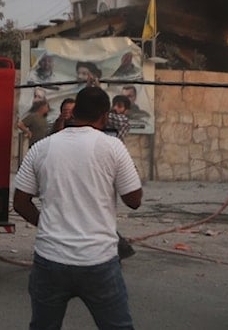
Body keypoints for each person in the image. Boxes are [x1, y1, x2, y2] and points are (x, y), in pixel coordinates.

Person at [13, 86, 143, 329]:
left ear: (74, 113)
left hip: (50, 260)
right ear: (104, 116)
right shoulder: (113, 147)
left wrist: (48, 225)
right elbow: (134, 200)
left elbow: (20, 202)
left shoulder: (42, 147)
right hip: (99, 262)